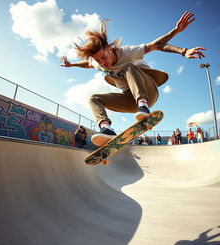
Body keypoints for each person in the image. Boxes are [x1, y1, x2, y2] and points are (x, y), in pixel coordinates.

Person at [61, 11, 205, 146]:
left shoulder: (127, 52)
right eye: (98, 60)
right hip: (129, 101)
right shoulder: (98, 62)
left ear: (110, 49)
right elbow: (87, 64)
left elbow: (155, 45)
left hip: (148, 92)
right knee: (93, 98)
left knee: (128, 67)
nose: (102, 63)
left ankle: (143, 105)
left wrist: (182, 48)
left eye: (103, 57)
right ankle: (106, 129)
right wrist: (71, 64)